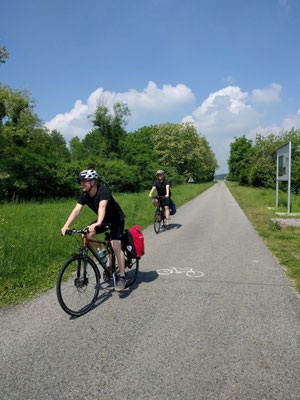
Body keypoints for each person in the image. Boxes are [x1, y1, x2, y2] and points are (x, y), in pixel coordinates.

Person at [61, 169, 127, 291]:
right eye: (81, 181)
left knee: (115, 245)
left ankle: (122, 277)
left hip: (116, 219)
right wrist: (66, 226)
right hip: (102, 220)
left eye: (84, 181)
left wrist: (97, 223)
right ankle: (104, 253)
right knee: (86, 235)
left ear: (93, 182)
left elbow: (102, 206)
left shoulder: (103, 191)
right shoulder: (85, 194)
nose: (82, 184)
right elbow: (76, 210)